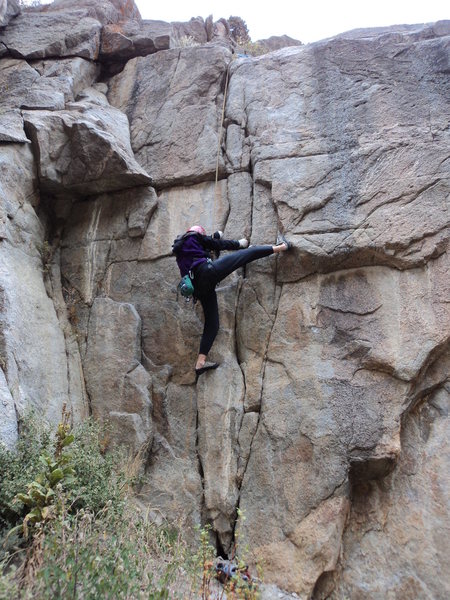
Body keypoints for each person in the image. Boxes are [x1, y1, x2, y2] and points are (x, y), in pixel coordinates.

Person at [172, 225, 292, 382]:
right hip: (207, 273)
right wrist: (239, 244)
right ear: (199, 232)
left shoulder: (181, 250)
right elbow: (217, 245)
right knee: (245, 255)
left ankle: (200, 363)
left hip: (198, 290)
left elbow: (209, 250)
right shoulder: (194, 237)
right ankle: (282, 246)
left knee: (212, 324)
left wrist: (215, 236)